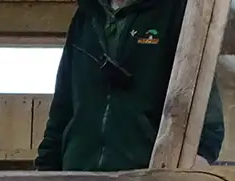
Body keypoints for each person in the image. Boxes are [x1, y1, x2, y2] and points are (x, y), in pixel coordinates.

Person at [34, 0, 225, 171]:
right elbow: (62, 105)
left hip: (146, 180)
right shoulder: (86, 16)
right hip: (77, 177)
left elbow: (204, 105)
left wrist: (200, 158)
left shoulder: (176, 13)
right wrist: (45, 169)